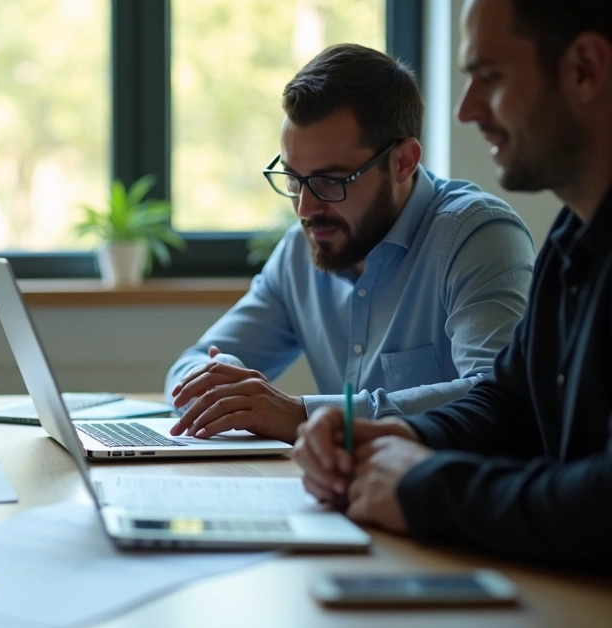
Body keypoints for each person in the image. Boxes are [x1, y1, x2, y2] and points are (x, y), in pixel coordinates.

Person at [293, 0, 612, 570]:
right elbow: (511, 403)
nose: (465, 111)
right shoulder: (574, 236)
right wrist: (399, 440)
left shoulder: (485, 230)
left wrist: (424, 487)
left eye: (488, 78)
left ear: (585, 68)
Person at [165, 44, 535, 444]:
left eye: (331, 181)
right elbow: (192, 361)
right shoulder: (298, 252)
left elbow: (497, 396)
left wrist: (302, 414)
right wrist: (222, 379)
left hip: (447, 499)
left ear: (403, 162)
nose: (305, 208)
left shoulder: (477, 235)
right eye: (293, 179)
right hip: (341, 493)